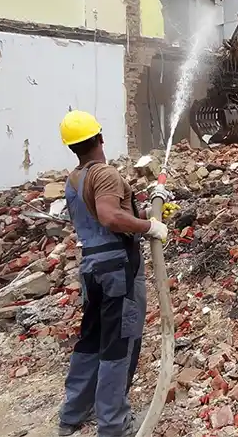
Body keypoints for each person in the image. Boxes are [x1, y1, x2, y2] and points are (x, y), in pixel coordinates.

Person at [56, 110, 168, 437]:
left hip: (91, 267)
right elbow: (108, 216)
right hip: (117, 269)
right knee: (119, 345)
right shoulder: (104, 173)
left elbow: (102, 216)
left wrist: (144, 212)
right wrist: (149, 226)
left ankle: (73, 414)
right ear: (100, 137)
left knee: (91, 340)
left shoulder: (74, 179)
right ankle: (114, 424)